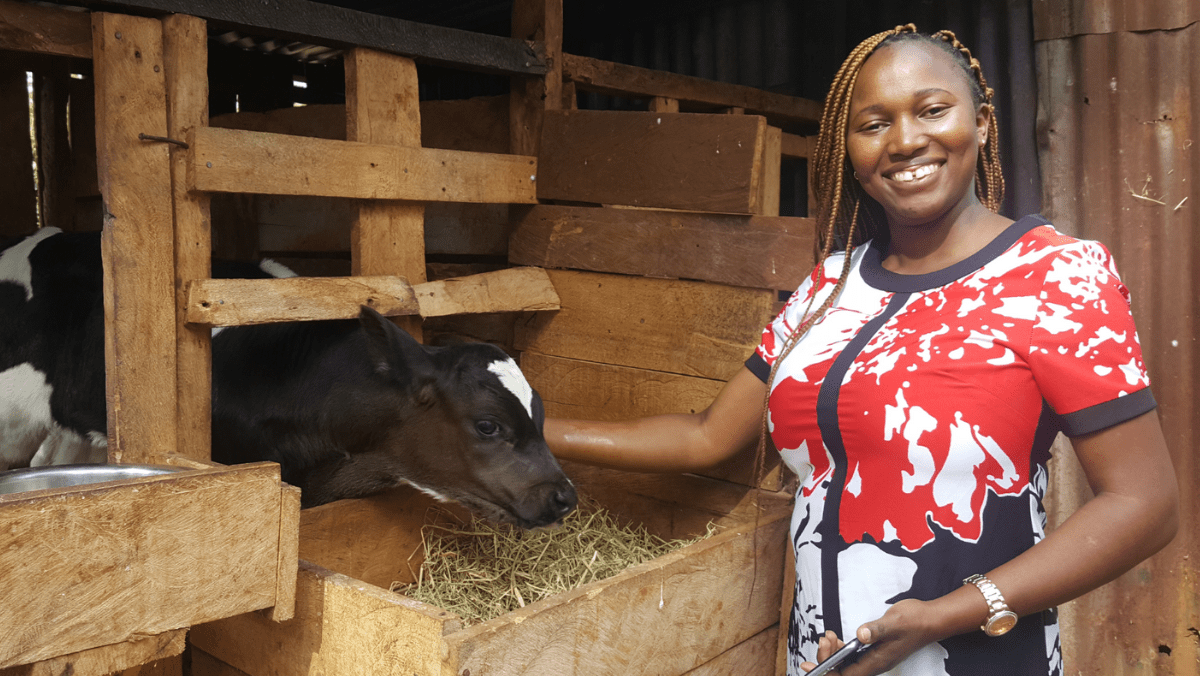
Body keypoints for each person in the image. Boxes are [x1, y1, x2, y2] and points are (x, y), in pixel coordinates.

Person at [543, 23, 1179, 676]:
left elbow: (1145, 503)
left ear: (983, 124)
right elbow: (706, 436)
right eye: (874, 124)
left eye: (933, 110)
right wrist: (527, 427)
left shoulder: (1055, 276)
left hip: (978, 659)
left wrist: (954, 610)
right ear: (849, 149)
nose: (905, 141)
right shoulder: (828, 287)